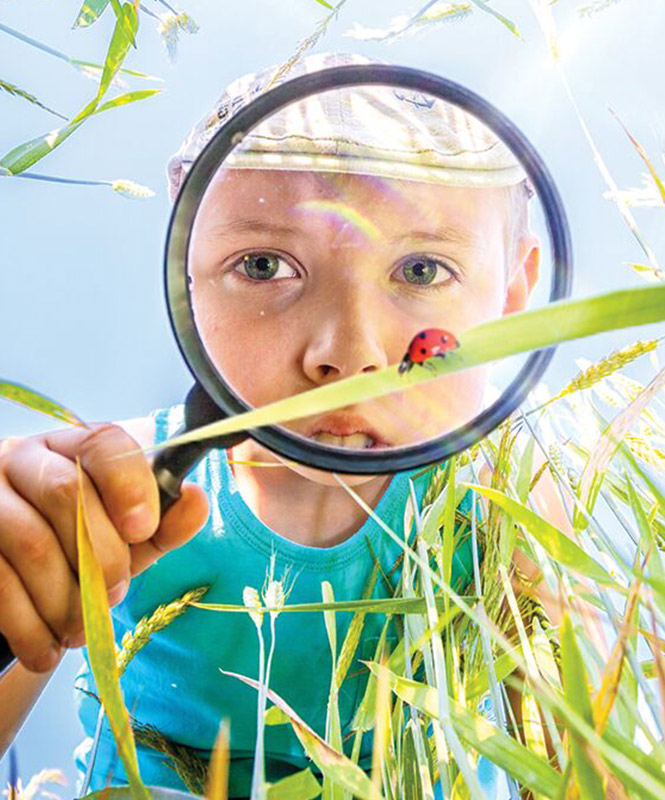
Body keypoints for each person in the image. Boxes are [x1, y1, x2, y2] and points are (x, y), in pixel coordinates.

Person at [0, 53, 568, 797]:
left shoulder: (502, 503)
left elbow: (587, 768)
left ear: (514, 293)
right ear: (188, 285)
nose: (349, 353)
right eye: (265, 265)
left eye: (422, 271)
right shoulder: (120, 488)